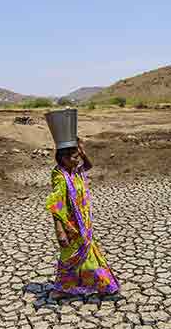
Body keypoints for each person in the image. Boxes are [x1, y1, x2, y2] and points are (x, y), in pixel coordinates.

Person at [44, 109, 120, 299]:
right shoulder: (60, 175)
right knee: (70, 257)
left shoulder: (76, 170)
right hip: (70, 226)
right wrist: (60, 230)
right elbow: (56, 203)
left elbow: (89, 166)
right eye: (73, 156)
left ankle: (96, 283)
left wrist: (83, 152)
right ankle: (65, 289)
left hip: (83, 223)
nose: (77, 159)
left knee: (85, 255)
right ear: (62, 158)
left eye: (77, 155)